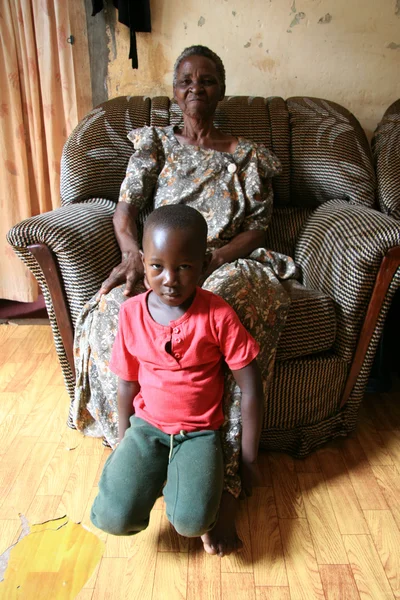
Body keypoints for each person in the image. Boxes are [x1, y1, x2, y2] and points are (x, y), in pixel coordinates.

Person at [73, 44, 298, 554]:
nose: (195, 87)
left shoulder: (247, 156)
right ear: (174, 90)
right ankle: (135, 450)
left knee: (217, 305)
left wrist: (213, 259)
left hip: (224, 262)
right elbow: (124, 213)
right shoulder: (154, 143)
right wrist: (133, 258)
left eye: (208, 79)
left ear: (223, 88)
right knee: (115, 308)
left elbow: (258, 228)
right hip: (161, 261)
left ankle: (228, 477)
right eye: (185, 79)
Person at [91, 205, 264, 556]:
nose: (169, 279)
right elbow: (127, 383)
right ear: (142, 261)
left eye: (184, 267)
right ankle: (153, 476)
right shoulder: (131, 313)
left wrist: (248, 461)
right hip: (146, 429)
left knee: (192, 522)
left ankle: (178, 486)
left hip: (198, 434)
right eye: (157, 266)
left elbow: (251, 387)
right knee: (112, 517)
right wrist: (124, 441)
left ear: (202, 264)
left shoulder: (218, 314)